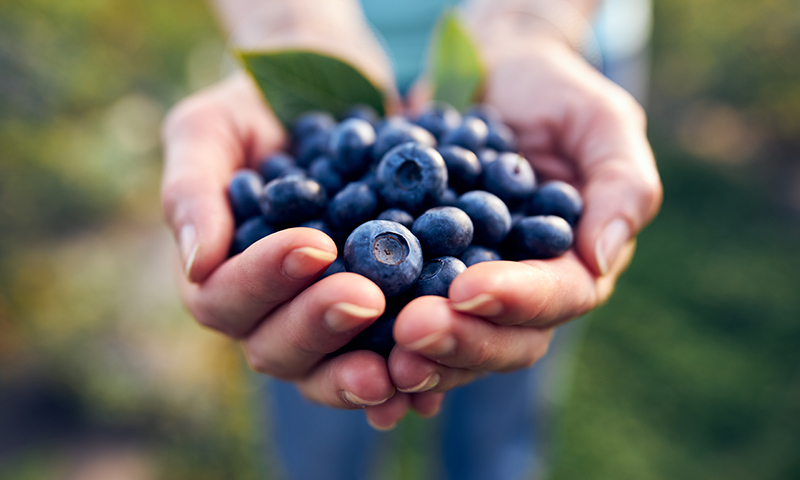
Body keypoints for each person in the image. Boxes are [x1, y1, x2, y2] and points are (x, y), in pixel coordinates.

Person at [160, 0, 662, 478]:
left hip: (556, 45)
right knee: (324, 360)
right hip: (325, 43)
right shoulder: (340, 198)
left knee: (500, 361)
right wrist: (286, 25)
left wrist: (527, 23)